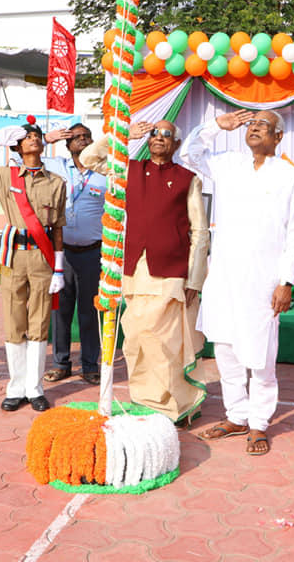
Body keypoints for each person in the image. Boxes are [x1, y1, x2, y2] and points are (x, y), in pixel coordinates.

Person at [180, 109, 294, 455]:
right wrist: (213, 126)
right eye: (251, 124)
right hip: (223, 276)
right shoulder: (228, 164)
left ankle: (259, 424)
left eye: (262, 125)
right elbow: (188, 154)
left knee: (261, 355)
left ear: (278, 137)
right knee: (224, 348)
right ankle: (236, 416)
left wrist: (287, 281)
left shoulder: (289, 177)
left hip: (263, 281)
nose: (254, 128)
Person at [79, 119, 209, 424]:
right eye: (154, 133)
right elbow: (88, 159)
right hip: (134, 269)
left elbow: (200, 231)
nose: (159, 138)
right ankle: (144, 400)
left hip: (172, 271)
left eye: (167, 135)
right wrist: (119, 136)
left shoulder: (188, 178)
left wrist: (195, 277)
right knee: (136, 339)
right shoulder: (129, 170)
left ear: (176, 145)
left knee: (163, 344)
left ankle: (171, 407)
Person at [0, 124, 66, 412]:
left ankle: (36, 388)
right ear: (16, 147)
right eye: (27, 137)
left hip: (42, 258)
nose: (33, 140)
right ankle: (16, 388)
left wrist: (59, 269)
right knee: (14, 321)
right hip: (13, 256)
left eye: (37, 137)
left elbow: (57, 229)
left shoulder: (56, 182)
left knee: (39, 322)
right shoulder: (6, 175)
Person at [41, 123, 106, 385]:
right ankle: (61, 363)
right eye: (76, 137)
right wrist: (48, 139)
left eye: (86, 137)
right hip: (62, 252)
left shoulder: (105, 171)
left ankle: (90, 365)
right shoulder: (55, 166)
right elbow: (17, 154)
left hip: (93, 252)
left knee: (90, 311)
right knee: (61, 310)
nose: (81, 140)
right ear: (67, 145)